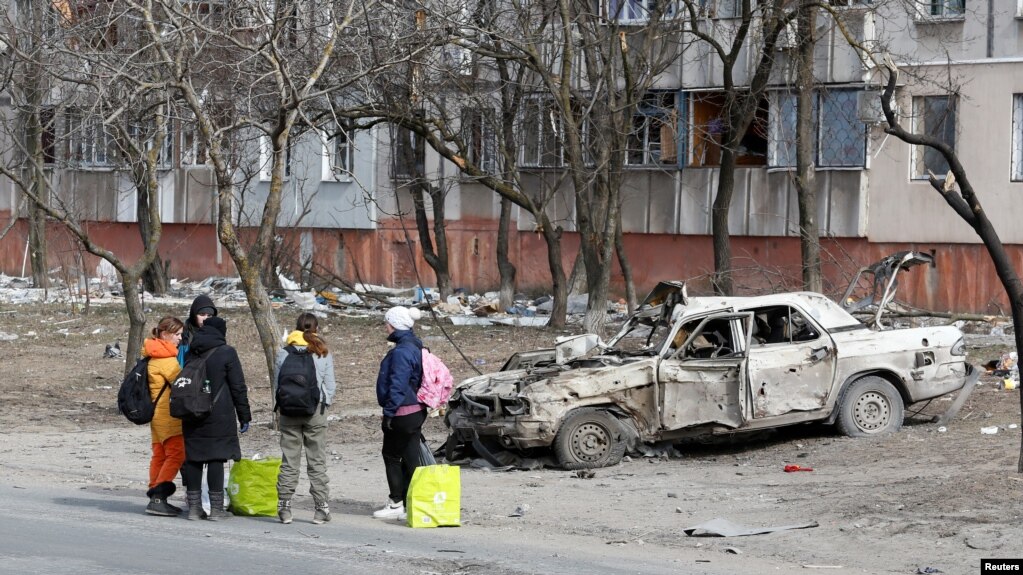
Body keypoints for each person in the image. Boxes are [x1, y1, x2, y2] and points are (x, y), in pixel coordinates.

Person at [181, 315, 252, 521]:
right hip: (218, 413)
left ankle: (194, 509)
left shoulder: (192, 351)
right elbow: (238, 387)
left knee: (194, 458)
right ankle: (217, 509)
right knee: (215, 458)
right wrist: (244, 416)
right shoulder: (227, 352)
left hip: (191, 412)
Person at [274, 312, 337, 525]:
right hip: (315, 411)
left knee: (289, 460)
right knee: (316, 460)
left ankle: (284, 507)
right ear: (315, 329)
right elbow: (330, 385)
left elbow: (277, 385)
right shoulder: (322, 352)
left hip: (289, 412)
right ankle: (321, 509)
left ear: (296, 328)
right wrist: (323, 404)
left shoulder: (284, 353)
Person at [372, 306, 426, 521]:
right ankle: (415, 502)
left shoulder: (402, 351)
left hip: (402, 412)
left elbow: (398, 384)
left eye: (387, 323)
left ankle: (396, 503)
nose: (386, 327)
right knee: (411, 458)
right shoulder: (414, 345)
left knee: (391, 455)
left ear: (393, 324)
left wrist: (389, 413)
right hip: (416, 410)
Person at [143, 316, 185, 517]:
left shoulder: (152, 355)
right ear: (165, 334)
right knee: (176, 454)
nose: (180, 338)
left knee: (159, 454)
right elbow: (182, 384)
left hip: (156, 416)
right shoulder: (166, 360)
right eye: (177, 334)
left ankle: (155, 496)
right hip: (168, 415)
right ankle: (159, 496)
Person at [178, 294, 218, 366]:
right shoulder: (184, 333)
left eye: (209, 315)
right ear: (194, 315)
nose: (206, 318)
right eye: (202, 314)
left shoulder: (217, 334)